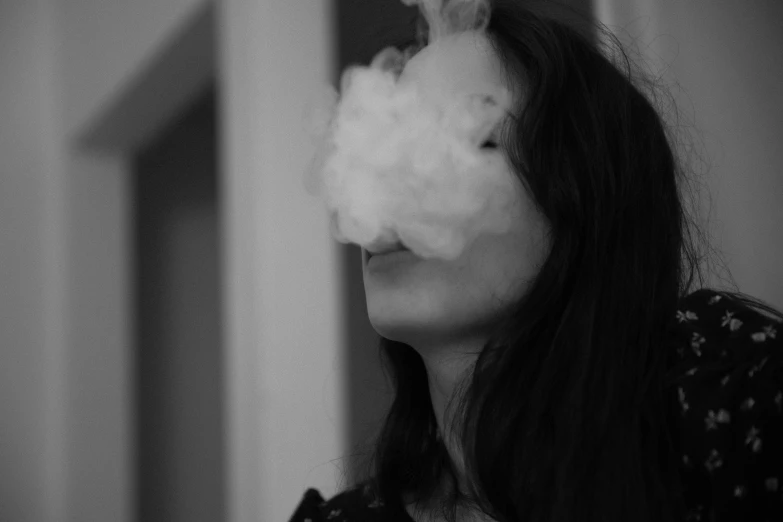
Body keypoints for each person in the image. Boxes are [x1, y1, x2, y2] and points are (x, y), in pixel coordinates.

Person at [288, 1, 783, 521]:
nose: (389, 186)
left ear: (579, 201)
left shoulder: (732, 400)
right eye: (385, 144)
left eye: (466, 137)